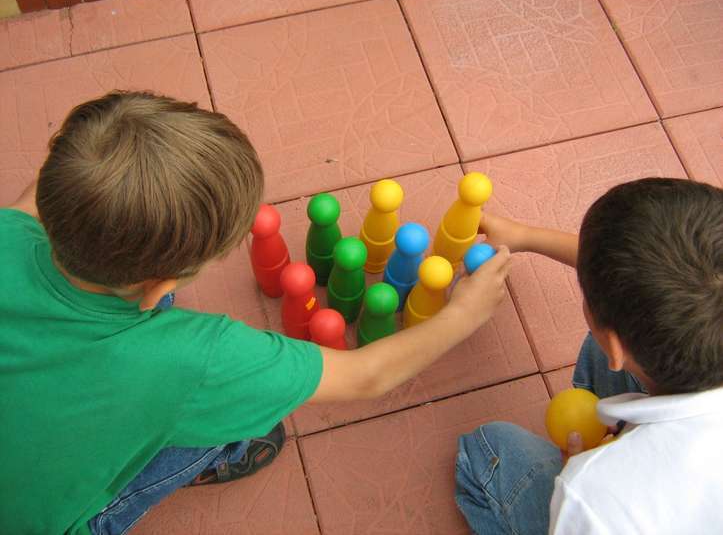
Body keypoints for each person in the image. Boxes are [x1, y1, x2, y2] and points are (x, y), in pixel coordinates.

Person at [0, 91, 511, 535]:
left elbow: (52, 182)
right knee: (231, 417)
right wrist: (463, 315)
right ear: (160, 284)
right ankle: (212, 458)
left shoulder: (9, 231)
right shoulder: (200, 362)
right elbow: (366, 375)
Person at [455, 178, 723, 534]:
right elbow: (644, 276)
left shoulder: (592, 496)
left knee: (486, 450)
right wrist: (526, 236)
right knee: (625, 327)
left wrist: (580, 469)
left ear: (616, 348)